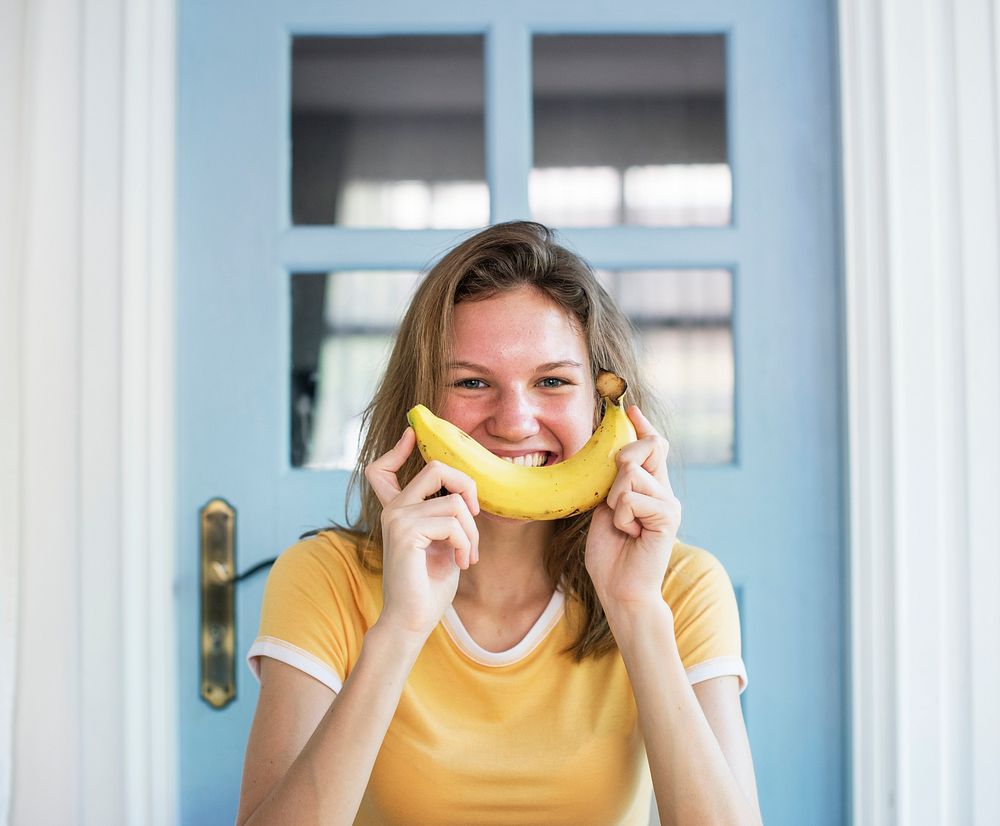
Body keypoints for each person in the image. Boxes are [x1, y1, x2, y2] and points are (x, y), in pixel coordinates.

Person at [236, 221, 761, 825]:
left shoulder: (680, 588)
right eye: (473, 382)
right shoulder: (326, 578)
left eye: (553, 381)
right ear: (422, 403)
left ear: (604, 403)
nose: (514, 422)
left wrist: (637, 611)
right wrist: (401, 627)